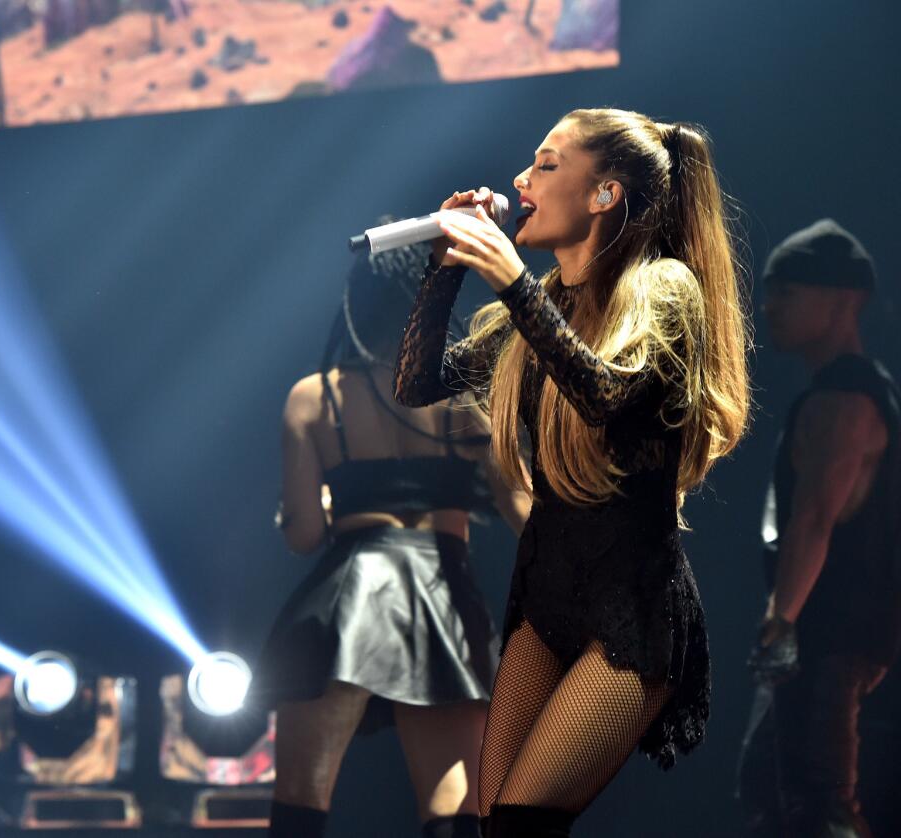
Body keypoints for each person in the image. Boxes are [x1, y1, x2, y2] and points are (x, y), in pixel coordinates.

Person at [394, 107, 751, 836]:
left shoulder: (664, 289)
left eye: (547, 165)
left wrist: (510, 279)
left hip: (632, 602)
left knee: (525, 818)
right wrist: (443, 271)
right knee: (495, 820)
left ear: (604, 194)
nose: (521, 181)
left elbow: (606, 398)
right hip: (547, 589)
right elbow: (417, 385)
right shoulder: (541, 307)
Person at [252, 233, 529, 838]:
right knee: (454, 803)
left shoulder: (315, 398)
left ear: (361, 301)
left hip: (347, 598)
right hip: (445, 594)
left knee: (301, 796)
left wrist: (307, 509)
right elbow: (524, 514)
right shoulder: (469, 398)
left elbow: (303, 535)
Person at [738, 219, 901, 837]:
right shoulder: (860, 392)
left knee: (817, 802)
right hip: (832, 636)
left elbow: (813, 519)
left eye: (788, 291)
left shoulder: (843, 400)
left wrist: (781, 622)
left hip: (826, 636)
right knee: (779, 791)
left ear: (842, 301)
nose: (770, 306)